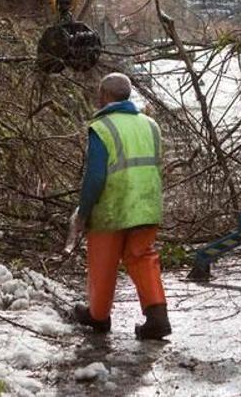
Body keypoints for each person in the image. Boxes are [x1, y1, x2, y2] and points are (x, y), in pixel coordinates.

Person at [69, 72, 171, 340]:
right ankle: (157, 317)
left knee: (103, 262)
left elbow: (95, 176)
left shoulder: (102, 128)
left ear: (104, 96)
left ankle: (98, 317)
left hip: (112, 208)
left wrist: (84, 210)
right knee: (142, 257)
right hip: (147, 205)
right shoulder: (151, 126)